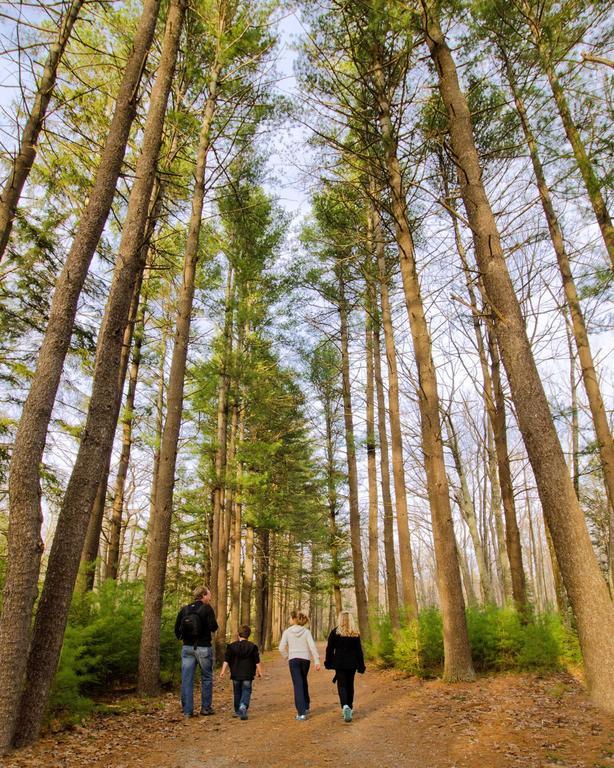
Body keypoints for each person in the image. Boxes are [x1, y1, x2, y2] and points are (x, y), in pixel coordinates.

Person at [174, 585, 218, 718]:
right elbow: (213, 627)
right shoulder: (207, 608)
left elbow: (177, 630)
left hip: (187, 648)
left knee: (187, 679)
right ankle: (205, 708)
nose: (210, 597)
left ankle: (187, 711)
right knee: (206, 677)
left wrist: (185, 640)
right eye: (208, 595)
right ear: (203, 595)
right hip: (203, 648)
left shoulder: (185, 609)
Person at [324, 610, 365, 723]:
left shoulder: (335, 632)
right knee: (350, 685)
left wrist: (328, 662)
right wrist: (361, 665)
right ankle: (350, 707)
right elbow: (359, 651)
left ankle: (345, 706)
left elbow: (330, 649)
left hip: (340, 663)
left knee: (341, 685)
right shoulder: (355, 633)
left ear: (340, 619)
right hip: (352, 664)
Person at [278, 610, 320, 721]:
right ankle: (306, 705)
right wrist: (316, 661)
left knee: (298, 684)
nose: (289, 620)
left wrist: (287, 657)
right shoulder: (306, 632)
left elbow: (281, 648)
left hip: (294, 660)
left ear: (294, 619)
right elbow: (312, 647)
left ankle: (301, 713)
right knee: (303, 681)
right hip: (305, 660)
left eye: (290, 618)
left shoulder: (287, 632)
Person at [219, 624, 263, 720]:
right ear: (248, 635)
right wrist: (260, 671)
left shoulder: (231, 646)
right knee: (247, 690)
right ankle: (243, 706)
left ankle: (237, 710)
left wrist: (223, 671)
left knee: (237, 691)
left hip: (235, 674)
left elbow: (226, 659)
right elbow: (257, 660)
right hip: (248, 674)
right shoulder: (252, 647)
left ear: (238, 635)